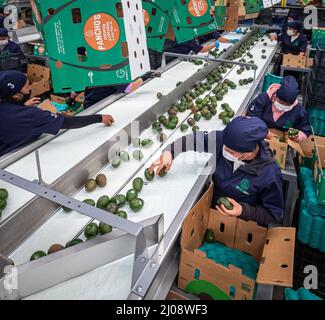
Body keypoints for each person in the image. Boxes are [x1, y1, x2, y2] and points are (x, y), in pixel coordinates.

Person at [150, 116, 284, 227]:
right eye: (225, 147)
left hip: (239, 225)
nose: (224, 150)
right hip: (210, 210)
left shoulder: (269, 174)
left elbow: (274, 215)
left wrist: (243, 211)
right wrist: (170, 152)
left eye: (230, 151)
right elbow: (193, 140)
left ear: (247, 153)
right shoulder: (224, 140)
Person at [0, 70, 114, 157]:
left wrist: (22, 107)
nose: (29, 88)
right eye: (26, 86)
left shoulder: (7, 105)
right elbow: (68, 122)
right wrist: (99, 118)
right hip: (12, 161)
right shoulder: (31, 116)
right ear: (15, 94)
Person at [247, 75, 311, 141]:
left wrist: (298, 136)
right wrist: (263, 132)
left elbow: (305, 130)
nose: (284, 106)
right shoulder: (263, 99)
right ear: (276, 96)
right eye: (282, 103)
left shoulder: (299, 111)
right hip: (259, 137)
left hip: (282, 142)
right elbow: (252, 117)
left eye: (288, 104)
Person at [83, 71, 159, 109]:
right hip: (95, 107)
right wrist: (145, 77)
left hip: (90, 100)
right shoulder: (111, 72)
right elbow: (129, 88)